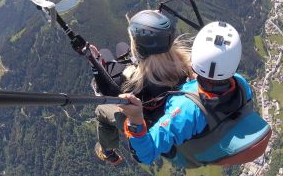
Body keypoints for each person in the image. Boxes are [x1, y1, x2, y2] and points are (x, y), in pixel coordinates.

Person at [116, 21, 271, 168]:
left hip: (186, 155)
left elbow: (145, 155)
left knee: (108, 114)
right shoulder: (240, 83)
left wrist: (135, 119)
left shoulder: (186, 110)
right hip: (213, 137)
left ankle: (108, 148)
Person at [93, 9, 193, 165]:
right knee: (121, 48)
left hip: (148, 125)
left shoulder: (132, 81)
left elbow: (108, 93)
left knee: (101, 110)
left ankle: (108, 151)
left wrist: (95, 64)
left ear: (139, 50)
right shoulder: (187, 66)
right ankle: (122, 61)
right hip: (175, 119)